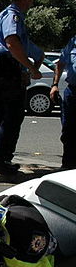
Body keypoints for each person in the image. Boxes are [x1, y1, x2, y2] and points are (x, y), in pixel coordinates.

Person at [0, 0, 43, 174]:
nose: (32, 0)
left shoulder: (9, 16)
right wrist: (31, 69)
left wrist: (28, 69)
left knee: (2, 114)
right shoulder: (13, 16)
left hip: (0, 68)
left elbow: (36, 52)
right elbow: (12, 43)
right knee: (12, 114)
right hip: (4, 67)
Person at [51, 35, 76, 170]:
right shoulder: (73, 42)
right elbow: (60, 63)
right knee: (68, 130)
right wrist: (54, 84)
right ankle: (68, 165)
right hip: (72, 91)